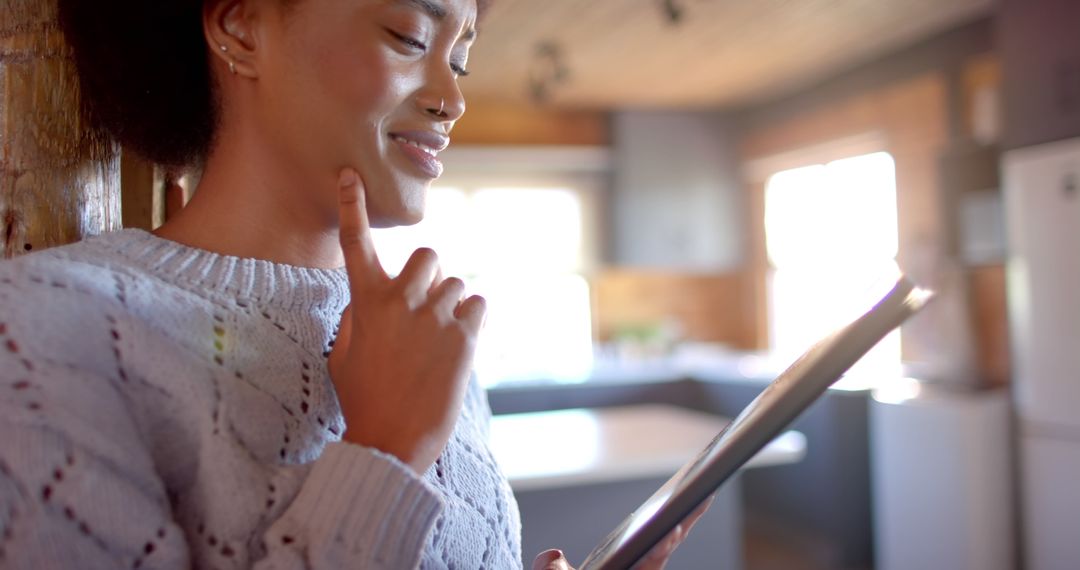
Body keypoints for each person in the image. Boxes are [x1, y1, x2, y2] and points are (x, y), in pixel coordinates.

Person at [0, 0, 700, 568]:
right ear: (239, 26)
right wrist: (385, 451)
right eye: (408, 36)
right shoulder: (43, 332)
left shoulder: (422, 332)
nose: (453, 97)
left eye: (460, 58)